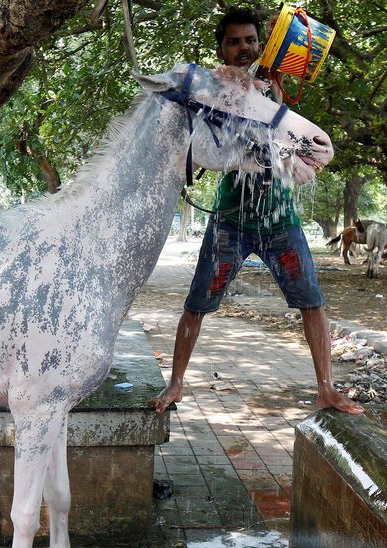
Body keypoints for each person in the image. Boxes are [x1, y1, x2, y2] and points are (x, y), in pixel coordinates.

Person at [149, 6, 363, 416]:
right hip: (231, 217)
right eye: (234, 42)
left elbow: (264, 97)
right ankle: (175, 385)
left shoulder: (272, 87)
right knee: (196, 305)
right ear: (223, 50)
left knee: (312, 303)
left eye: (250, 40)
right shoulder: (216, 86)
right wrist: (220, 78)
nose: (243, 48)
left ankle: (326, 389)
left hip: (280, 219)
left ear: (260, 45)